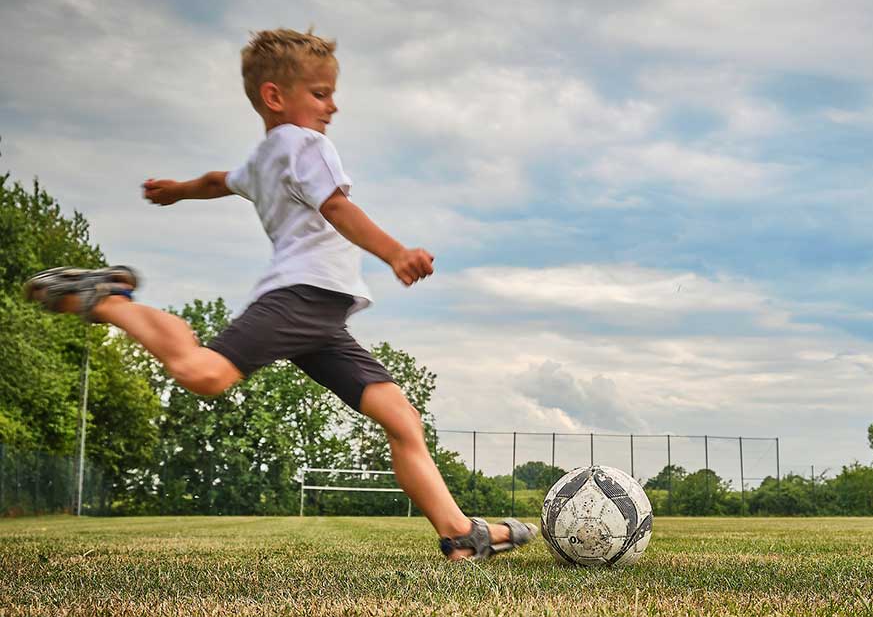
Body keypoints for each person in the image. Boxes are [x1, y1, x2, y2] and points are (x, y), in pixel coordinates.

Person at [24, 28, 536, 561]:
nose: (333, 107)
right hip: (300, 298)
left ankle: (462, 535)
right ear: (275, 96)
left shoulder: (265, 157)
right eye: (320, 94)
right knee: (205, 372)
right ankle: (107, 298)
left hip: (322, 317)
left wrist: (177, 191)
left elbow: (219, 180)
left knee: (401, 418)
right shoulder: (304, 144)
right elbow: (337, 208)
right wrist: (395, 253)